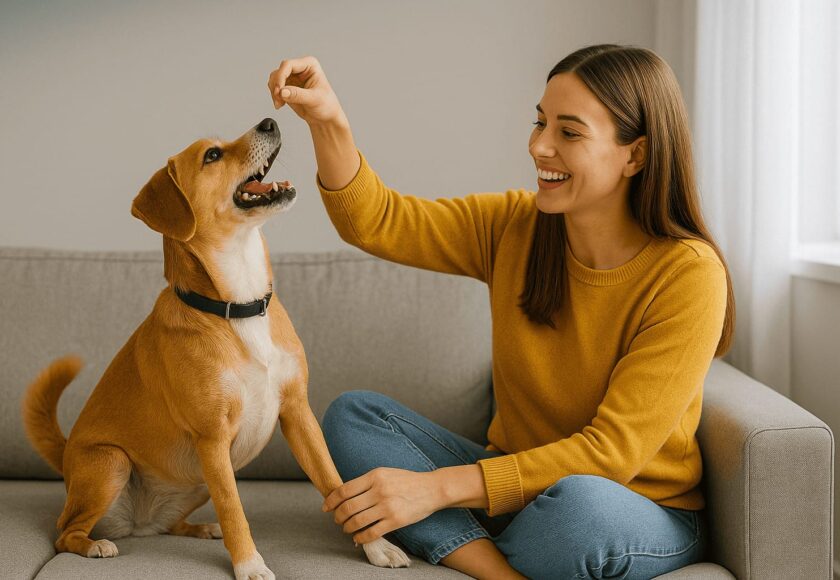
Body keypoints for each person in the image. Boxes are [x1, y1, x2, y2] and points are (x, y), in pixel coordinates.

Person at [266, 44, 734, 580]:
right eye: (540, 123)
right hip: (513, 497)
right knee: (353, 417)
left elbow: (611, 454)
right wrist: (328, 121)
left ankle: (465, 539)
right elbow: (378, 221)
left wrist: (436, 489)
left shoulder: (689, 273)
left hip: (634, 509)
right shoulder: (515, 225)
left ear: (636, 154)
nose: (539, 146)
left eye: (569, 132)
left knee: (580, 511)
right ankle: (500, 570)